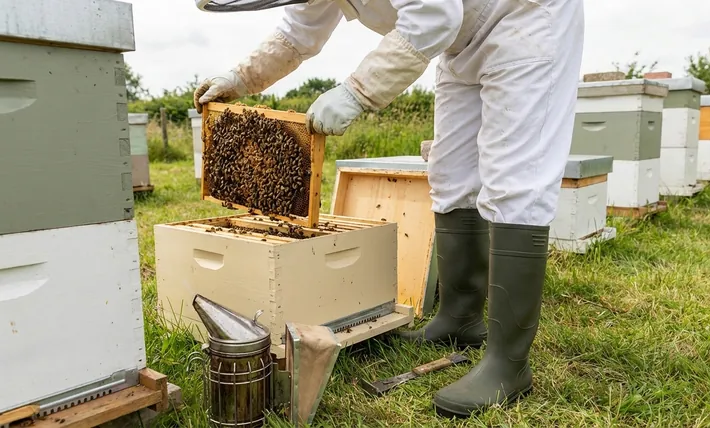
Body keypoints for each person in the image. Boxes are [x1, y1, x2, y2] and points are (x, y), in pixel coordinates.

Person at [193, 0, 585, 418]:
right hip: (458, 45)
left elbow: (434, 15)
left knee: (515, 182)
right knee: (451, 176)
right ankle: (460, 318)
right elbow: (296, 34)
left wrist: (356, 91)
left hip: (523, 17)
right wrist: (240, 78)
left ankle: (508, 364)